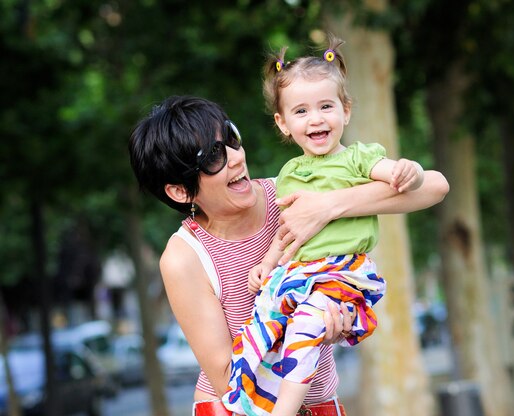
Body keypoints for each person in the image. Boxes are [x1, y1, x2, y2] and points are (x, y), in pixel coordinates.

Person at [128, 95, 448, 416]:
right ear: (180, 191)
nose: (236, 158)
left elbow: (434, 186)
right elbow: (228, 377)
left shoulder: (292, 192)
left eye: (230, 138)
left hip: (319, 403)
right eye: (213, 157)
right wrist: (311, 329)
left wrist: (327, 206)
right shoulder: (185, 256)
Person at [222, 35, 435, 416]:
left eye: (326, 106)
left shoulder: (357, 159)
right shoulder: (290, 173)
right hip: (297, 272)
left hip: (343, 272)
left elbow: (400, 177)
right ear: (283, 124)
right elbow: (286, 229)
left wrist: (410, 172)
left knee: (304, 328)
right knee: (262, 323)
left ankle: (283, 412)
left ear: (346, 111)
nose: (316, 118)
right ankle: (243, 400)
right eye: (301, 112)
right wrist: (268, 263)